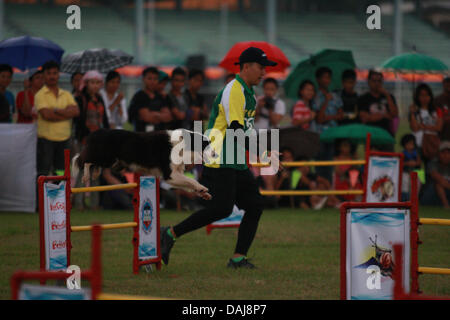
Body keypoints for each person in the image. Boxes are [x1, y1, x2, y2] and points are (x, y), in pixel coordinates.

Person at [159, 47, 281, 269]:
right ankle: (169, 233)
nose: (264, 73)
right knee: (222, 209)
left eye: (266, 68)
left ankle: (237, 258)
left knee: (254, 205)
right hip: (219, 156)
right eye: (261, 67)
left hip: (234, 159)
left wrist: (266, 150)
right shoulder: (234, 91)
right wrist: (263, 152)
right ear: (246, 66)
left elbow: (247, 129)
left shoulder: (248, 93)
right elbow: (236, 130)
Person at [35, 60, 79, 177]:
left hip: (64, 140)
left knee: (61, 173)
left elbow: (75, 111)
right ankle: (41, 196)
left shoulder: (66, 94)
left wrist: (57, 110)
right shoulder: (40, 95)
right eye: (49, 73)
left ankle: (59, 196)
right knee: (43, 173)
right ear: (43, 75)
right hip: (46, 141)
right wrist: (66, 113)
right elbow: (46, 116)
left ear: (58, 74)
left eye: (55, 73)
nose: (52, 76)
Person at [73, 70, 110, 210]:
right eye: (92, 82)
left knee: (96, 172)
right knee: (83, 171)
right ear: (86, 83)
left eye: (97, 83)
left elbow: (104, 119)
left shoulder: (100, 99)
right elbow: (79, 122)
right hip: (85, 141)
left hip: (99, 141)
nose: (95, 86)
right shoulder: (80, 98)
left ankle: (94, 204)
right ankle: (79, 203)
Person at [313, 67, 344, 183]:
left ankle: (330, 189)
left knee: (330, 164)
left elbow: (341, 115)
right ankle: (321, 190)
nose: (326, 80)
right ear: (318, 79)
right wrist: (326, 101)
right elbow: (320, 119)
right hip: (320, 135)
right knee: (320, 165)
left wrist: (328, 117)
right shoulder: (315, 96)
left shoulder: (335, 96)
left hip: (333, 135)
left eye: (328, 77)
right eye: (324, 77)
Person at [358, 70, 399, 150]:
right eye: (374, 81)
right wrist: (384, 115)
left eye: (379, 81)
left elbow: (394, 114)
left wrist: (387, 95)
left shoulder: (389, 97)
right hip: (371, 137)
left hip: (387, 136)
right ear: (369, 82)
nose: (377, 83)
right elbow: (364, 118)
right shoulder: (363, 98)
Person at [128, 66, 172, 132]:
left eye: (155, 79)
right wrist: (160, 115)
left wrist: (155, 114)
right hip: (141, 135)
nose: (152, 81)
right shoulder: (139, 96)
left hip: (158, 135)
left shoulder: (160, 96)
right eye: (149, 78)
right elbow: (146, 117)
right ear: (143, 79)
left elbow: (168, 117)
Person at [409, 83, 443, 168]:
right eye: (421, 95)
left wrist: (424, 126)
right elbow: (414, 128)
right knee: (417, 167)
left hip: (431, 144)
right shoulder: (415, 111)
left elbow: (439, 127)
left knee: (431, 168)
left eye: (427, 95)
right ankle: (418, 181)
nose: (424, 98)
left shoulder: (437, 111)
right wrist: (412, 113)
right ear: (417, 97)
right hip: (418, 143)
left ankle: (429, 181)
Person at [420, 141, 450, 208]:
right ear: (438, 153)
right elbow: (439, 180)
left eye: (448, 153)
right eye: (443, 152)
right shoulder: (432, 164)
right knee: (438, 184)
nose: (446, 155)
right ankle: (446, 206)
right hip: (429, 197)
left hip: (447, 194)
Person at [400, 134, 421, 201]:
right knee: (405, 186)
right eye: (408, 144)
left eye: (412, 144)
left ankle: (413, 200)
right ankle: (404, 200)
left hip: (414, 173)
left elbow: (419, 162)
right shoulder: (403, 153)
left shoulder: (415, 153)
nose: (410, 146)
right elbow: (400, 163)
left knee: (415, 186)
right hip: (405, 173)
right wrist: (407, 163)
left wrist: (414, 163)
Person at [434, 77, 450, 142]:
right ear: (443, 85)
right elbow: (434, 116)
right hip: (442, 135)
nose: (448, 87)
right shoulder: (437, 100)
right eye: (447, 85)